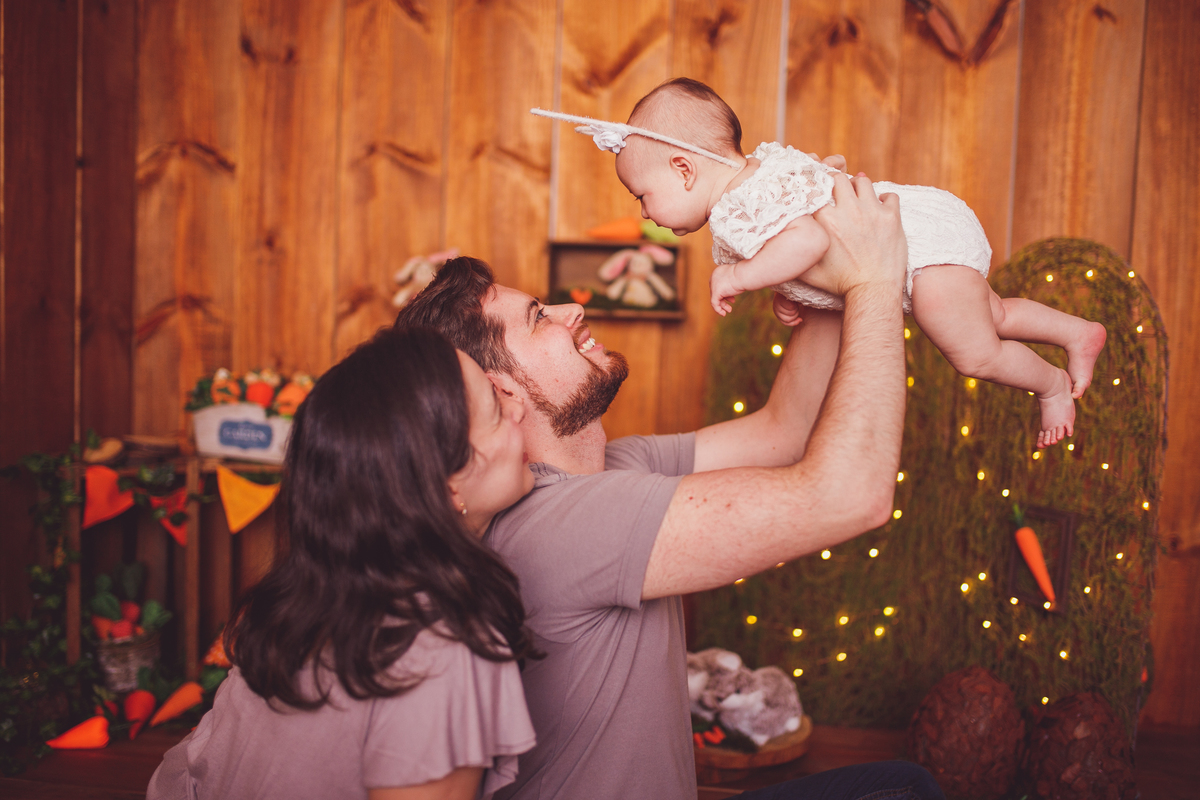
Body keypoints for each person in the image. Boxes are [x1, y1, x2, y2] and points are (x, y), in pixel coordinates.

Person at [396, 173, 942, 799]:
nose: (571, 310)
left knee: (902, 784)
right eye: (538, 317)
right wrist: (872, 280)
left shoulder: (611, 470)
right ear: (503, 392)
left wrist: (823, 287)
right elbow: (852, 496)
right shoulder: (564, 522)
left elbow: (783, 431)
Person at [536, 78, 1107, 449]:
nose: (644, 211)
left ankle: (1051, 384)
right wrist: (788, 290)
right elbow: (799, 247)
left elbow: (806, 242)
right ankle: (1077, 332)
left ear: (685, 170)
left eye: (642, 195)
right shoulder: (752, 179)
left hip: (913, 246)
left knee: (973, 352)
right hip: (914, 226)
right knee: (994, 314)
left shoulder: (736, 209)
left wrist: (741, 275)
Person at [146, 326, 539, 800]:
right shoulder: (442, 649)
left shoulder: (311, 596)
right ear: (446, 483)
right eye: (498, 410)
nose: (521, 410)